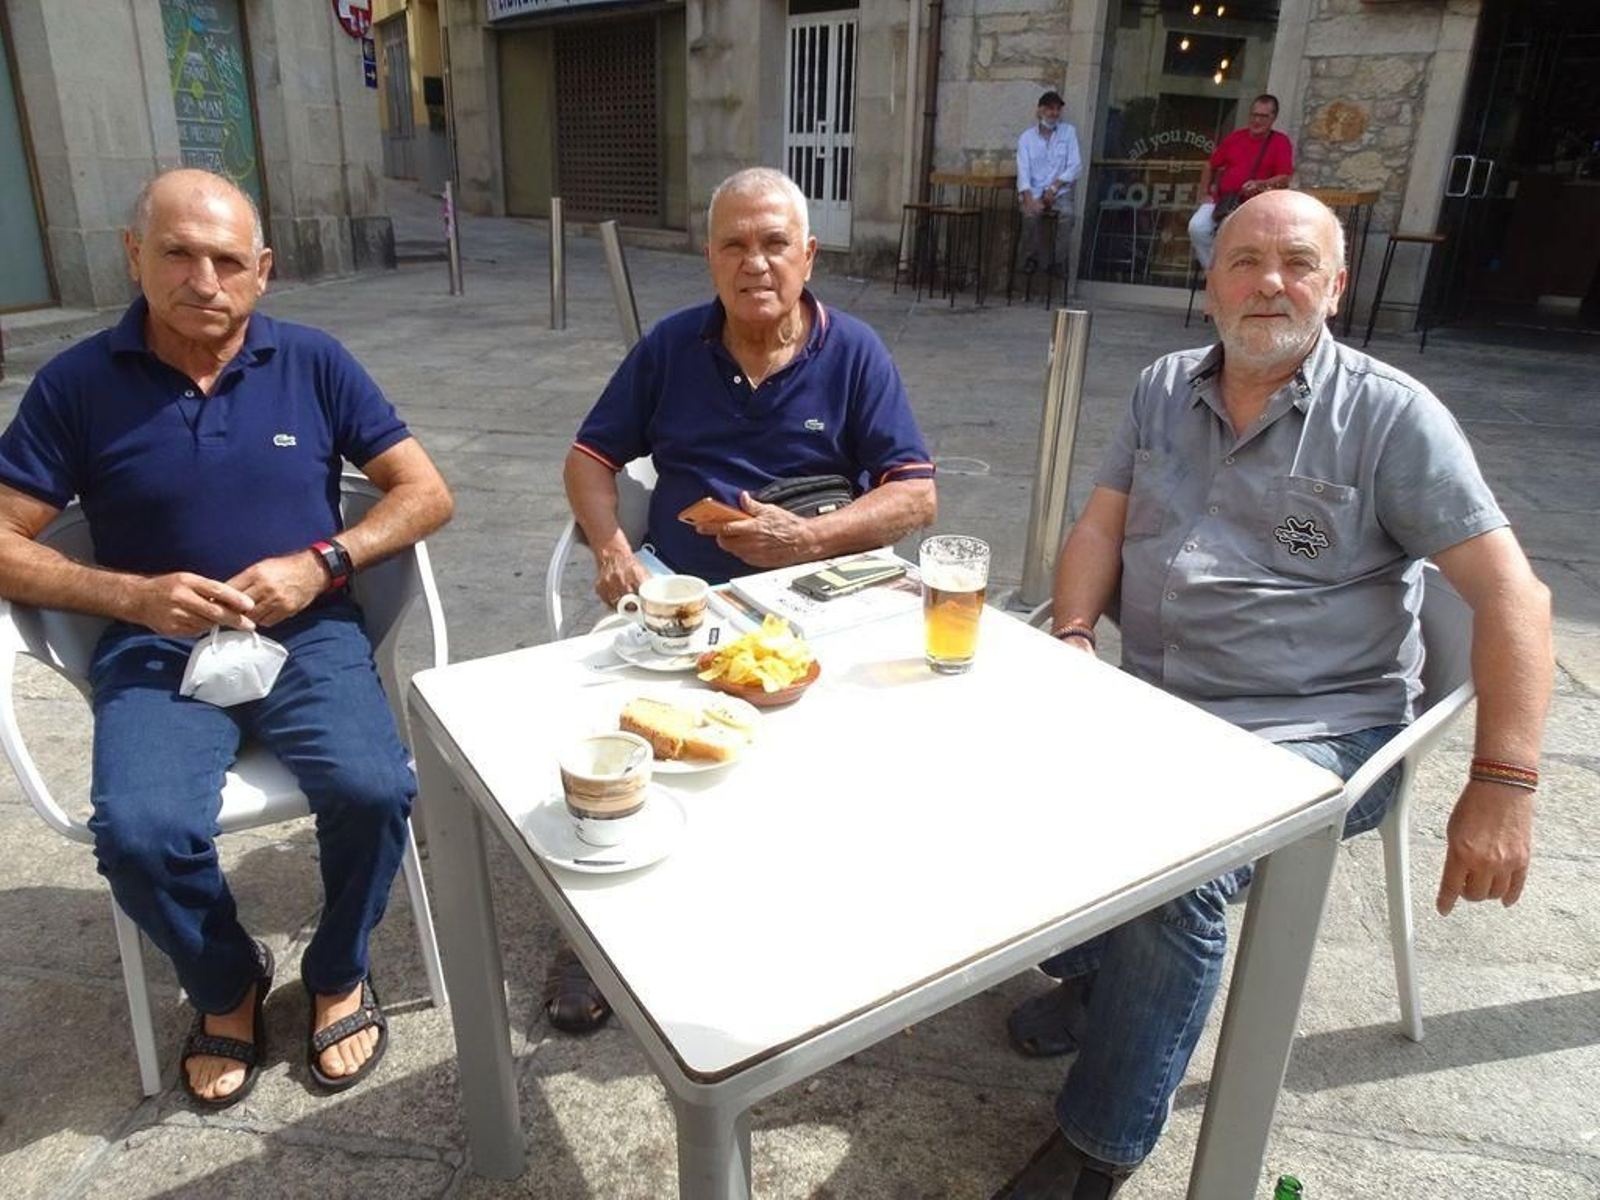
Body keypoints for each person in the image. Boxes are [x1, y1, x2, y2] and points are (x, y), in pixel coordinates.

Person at [993, 189, 1551, 1199]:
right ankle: (1105, 979)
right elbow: (1099, 530)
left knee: (1181, 868)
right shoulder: (1164, 385)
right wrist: (1074, 634)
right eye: (1244, 261)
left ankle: (1096, 1146)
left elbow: (1512, 593)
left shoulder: (1388, 418)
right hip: (1163, 706)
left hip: (1322, 731)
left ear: (1336, 287)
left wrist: (1503, 782)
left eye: (1298, 262)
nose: (1269, 282)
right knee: (994, 749)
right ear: (1209, 285)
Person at [0, 169, 454, 1108]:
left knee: (376, 789)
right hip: (156, 648)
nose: (202, 278)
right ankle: (225, 982)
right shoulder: (78, 384)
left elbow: (426, 494)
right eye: (177, 253)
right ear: (135, 255)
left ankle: (336, 970)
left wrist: (323, 562)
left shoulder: (314, 362)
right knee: (138, 833)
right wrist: (130, 595)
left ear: (263, 273)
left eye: (226, 260)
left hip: (307, 633)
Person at [552, 166, 937, 1032]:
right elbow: (588, 459)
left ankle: (820, 905)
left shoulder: (856, 352)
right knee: (619, 734)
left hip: (817, 591)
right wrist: (613, 550)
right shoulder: (670, 348)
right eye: (735, 244)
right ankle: (594, 933)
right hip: (684, 597)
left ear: (809, 255)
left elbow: (915, 496)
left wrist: (808, 539)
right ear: (709, 256)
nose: (755, 263)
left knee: (885, 720)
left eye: (774, 244)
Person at [1187, 93, 1295, 270]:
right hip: (1222, 201)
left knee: (1237, 239)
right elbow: (1210, 165)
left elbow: (1284, 178)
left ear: (1273, 118)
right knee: (1197, 227)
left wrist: (1260, 184)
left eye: (1263, 116)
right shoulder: (1235, 137)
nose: (1256, 120)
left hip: (1255, 205)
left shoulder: (1280, 142)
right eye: (1254, 114)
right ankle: (1215, 273)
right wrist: (1203, 193)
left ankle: (1225, 275)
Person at [1016, 90, 1083, 278]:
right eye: (1049, 109)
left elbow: (1075, 165)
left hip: (1059, 191)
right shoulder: (1026, 138)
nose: (1054, 113)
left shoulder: (1068, 132)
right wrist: (1029, 199)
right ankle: (1031, 258)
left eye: (1057, 109)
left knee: (1068, 215)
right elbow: (1023, 172)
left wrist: (1055, 187)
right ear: (1040, 111)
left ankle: (1058, 262)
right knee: (1030, 215)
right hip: (1035, 191)